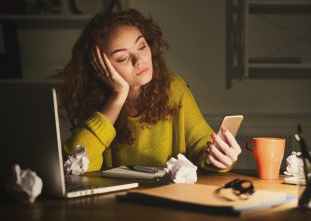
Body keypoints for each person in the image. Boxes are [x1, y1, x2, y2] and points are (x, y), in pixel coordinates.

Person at [62, 9, 241, 172]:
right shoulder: (97, 102)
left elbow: (201, 143)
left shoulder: (173, 88)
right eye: (122, 58)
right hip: (118, 203)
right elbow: (73, 165)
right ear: (100, 68)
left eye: (141, 47)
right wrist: (117, 97)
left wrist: (219, 158)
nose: (139, 60)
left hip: (169, 198)